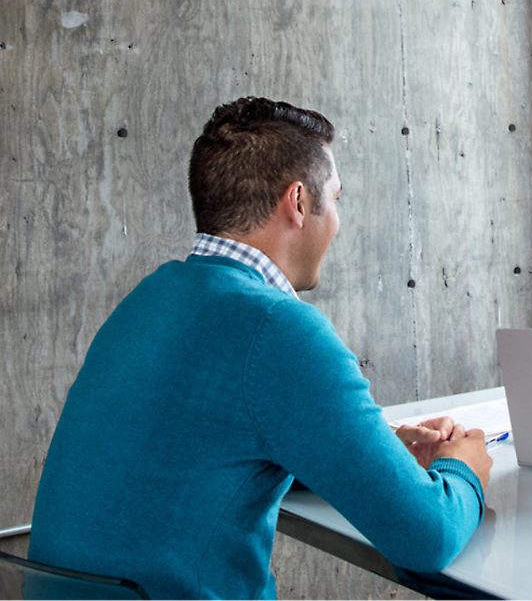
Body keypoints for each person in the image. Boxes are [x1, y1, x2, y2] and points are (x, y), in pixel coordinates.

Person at [29, 97, 492, 599]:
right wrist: (461, 465)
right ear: (297, 202)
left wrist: (375, 450)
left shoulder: (150, 299)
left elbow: (206, 447)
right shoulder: (279, 329)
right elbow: (427, 536)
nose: (336, 220)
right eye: (335, 199)